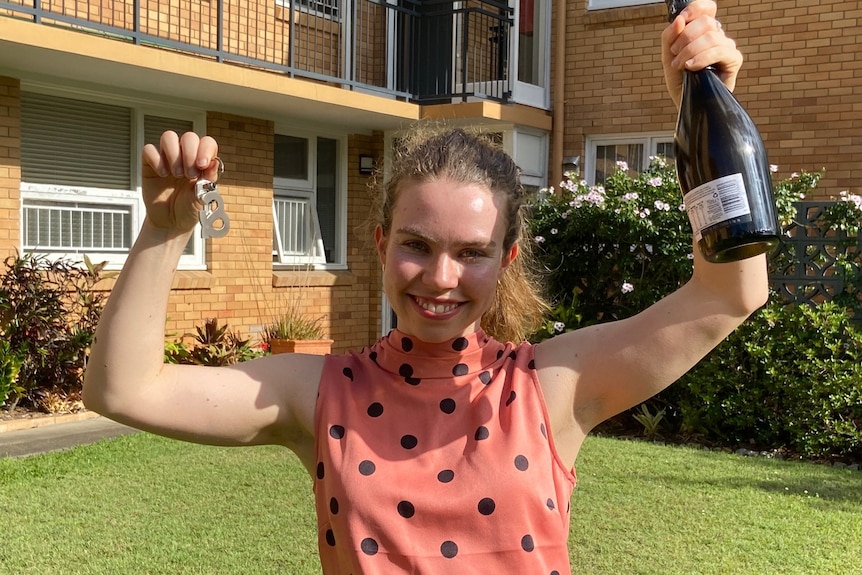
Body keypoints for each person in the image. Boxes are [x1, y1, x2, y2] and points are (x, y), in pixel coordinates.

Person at [83, 2, 763, 573]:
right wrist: (166, 231)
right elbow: (123, 388)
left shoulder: (550, 385)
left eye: (471, 252)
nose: (441, 277)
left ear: (506, 259)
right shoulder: (319, 392)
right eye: (417, 244)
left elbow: (729, 292)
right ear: (382, 245)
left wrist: (702, 112)